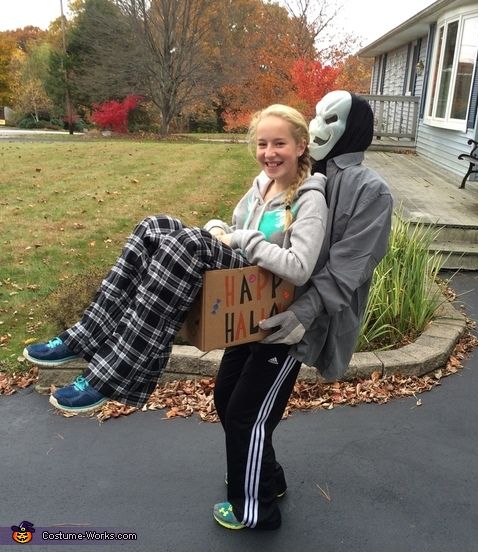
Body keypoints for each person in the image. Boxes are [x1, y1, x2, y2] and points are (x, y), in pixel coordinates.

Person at [23, 103, 328, 420]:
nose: (269, 153)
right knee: (153, 226)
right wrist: (220, 229)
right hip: (239, 270)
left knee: (189, 244)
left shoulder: (310, 199)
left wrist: (240, 239)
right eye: (263, 144)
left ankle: (110, 375)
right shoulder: (261, 185)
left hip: (263, 289)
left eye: (279, 144)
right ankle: (84, 334)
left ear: (300, 146)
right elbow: (236, 227)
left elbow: (299, 267)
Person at [211, 90, 394, 531]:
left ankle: (254, 508)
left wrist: (302, 316)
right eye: (316, 116)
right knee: (228, 401)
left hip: (294, 324)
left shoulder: (369, 191)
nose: (318, 125)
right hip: (256, 311)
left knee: (248, 415)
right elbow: (266, 227)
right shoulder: (303, 174)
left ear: (353, 127)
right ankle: (265, 478)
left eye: (331, 118)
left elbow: (347, 269)